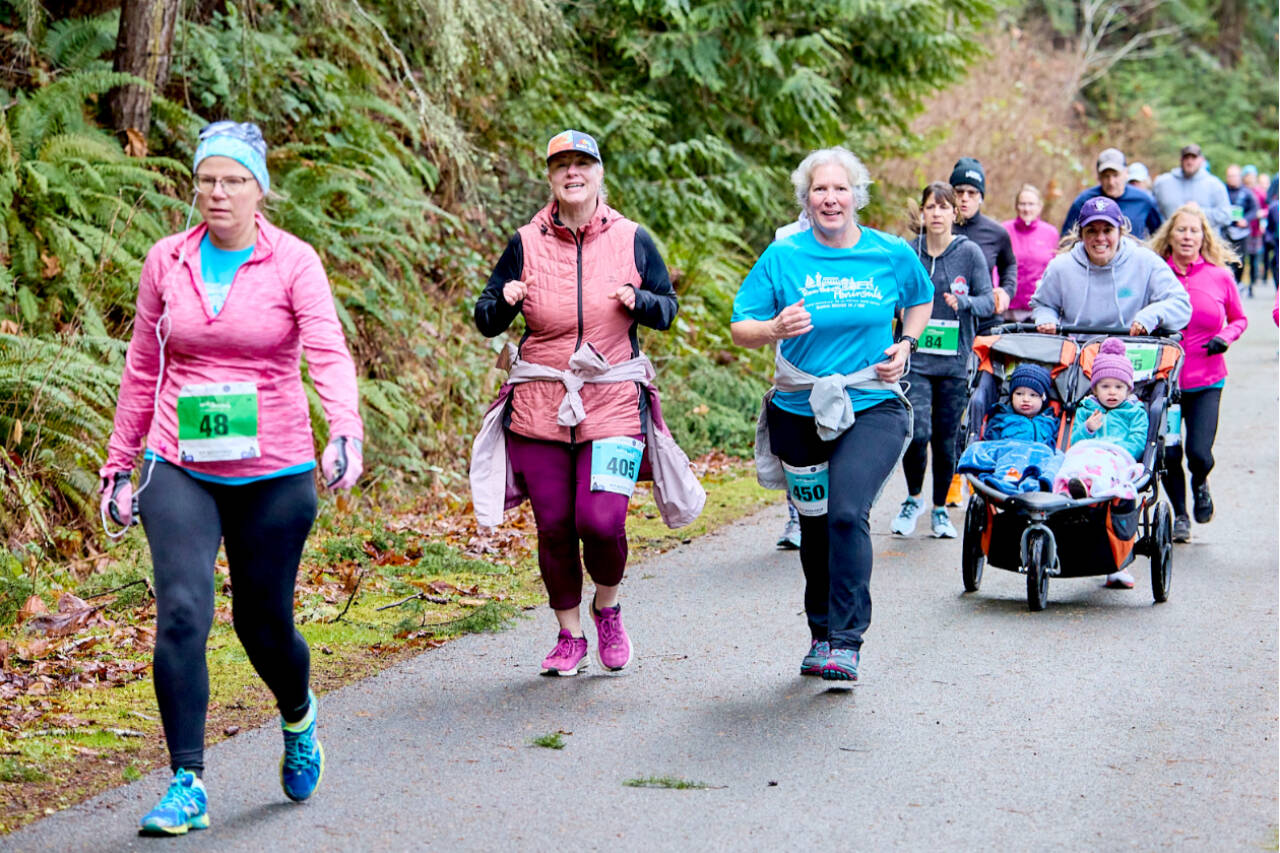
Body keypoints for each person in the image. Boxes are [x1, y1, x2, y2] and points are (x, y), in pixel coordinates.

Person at [98, 121, 363, 834]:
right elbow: (142, 366)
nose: (218, 193)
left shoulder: (294, 261)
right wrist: (119, 465)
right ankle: (187, 781)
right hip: (178, 462)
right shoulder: (167, 259)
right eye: (207, 179)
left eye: (233, 180)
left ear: (260, 189)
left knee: (262, 621)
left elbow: (328, 351)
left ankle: (298, 712)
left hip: (274, 468)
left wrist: (345, 431)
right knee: (183, 610)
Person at [473, 129, 686, 678]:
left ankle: (607, 607)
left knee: (600, 519)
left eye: (582, 164)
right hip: (540, 404)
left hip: (613, 401)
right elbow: (485, 316)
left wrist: (639, 300)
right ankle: (569, 635)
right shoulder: (525, 242)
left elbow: (668, 308)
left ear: (598, 174)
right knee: (554, 526)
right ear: (550, 176)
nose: (573, 173)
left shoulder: (632, 238)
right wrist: (505, 299)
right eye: (562, 165)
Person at [731, 147, 932, 683]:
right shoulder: (783, 257)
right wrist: (774, 328)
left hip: (872, 401)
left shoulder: (889, 253)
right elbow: (740, 326)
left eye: (840, 188)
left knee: (846, 512)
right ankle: (820, 634)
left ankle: (846, 641)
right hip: (798, 407)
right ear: (807, 199)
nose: (830, 198)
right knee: (816, 527)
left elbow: (921, 297)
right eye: (820, 189)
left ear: (856, 196)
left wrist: (906, 343)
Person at [891, 182, 994, 539]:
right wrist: (896, 309)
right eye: (930, 207)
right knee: (916, 432)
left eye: (944, 207)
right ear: (922, 213)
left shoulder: (970, 254)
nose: (937, 214)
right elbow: (887, 295)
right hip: (915, 358)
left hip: (954, 361)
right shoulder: (908, 252)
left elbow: (989, 302)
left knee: (946, 438)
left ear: (956, 213)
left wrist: (963, 304)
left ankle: (938, 510)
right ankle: (913, 499)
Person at [1148, 203, 1247, 542]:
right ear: (1170, 236)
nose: (1187, 236)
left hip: (1207, 380)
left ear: (1203, 237)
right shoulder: (1157, 273)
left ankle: (1201, 481)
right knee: (1169, 452)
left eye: (1194, 231)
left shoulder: (1219, 275)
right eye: (1181, 230)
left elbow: (1239, 319)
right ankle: (1180, 515)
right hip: (1166, 383)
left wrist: (1225, 337)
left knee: (1199, 453)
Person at [947, 156, 1016, 505]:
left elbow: (1009, 267)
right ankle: (952, 479)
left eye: (972, 192)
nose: (964, 198)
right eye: (958, 191)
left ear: (981, 196)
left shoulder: (996, 232)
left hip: (987, 327)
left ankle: (980, 474)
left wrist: (1006, 291)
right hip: (948, 329)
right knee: (953, 404)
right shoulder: (939, 228)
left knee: (983, 401)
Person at [1030, 197, 1191, 336]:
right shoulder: (1061, 267)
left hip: (1131, 354)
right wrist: (1047, 319)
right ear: (1081, 235)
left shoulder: (1146, 262)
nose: (1100, 238)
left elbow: (1181, 304)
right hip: (1077, 354)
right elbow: (1044, 304)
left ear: (1120, 232)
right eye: (1091, 231)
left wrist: (1151, 315)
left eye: (1107, 230)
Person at [1060, 148, 1163, 239]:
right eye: (1106, 176)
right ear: (1099, 177)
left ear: (1126, 173)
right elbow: (1067, 237)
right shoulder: (1085, 201)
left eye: (1115, 175)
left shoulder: (1143, 200)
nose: (1111, 182)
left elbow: (1159, 235)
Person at [1002, 184, 1059, 321]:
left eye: (1031, 204)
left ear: (1040, 207)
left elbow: (1055, 270)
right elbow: (996, 267)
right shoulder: (1004, 230)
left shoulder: (1051, 233)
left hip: (1039, 309)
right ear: (1016, 206)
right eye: (1022, 204)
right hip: (1009, 308)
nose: (1027, 209)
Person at [1152, 144, 1232, 229]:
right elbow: (1152, 211)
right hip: (1169, 239)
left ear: (1201, 160)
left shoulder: (1215, 185)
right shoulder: (1162, 183)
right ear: (1181, 159)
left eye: (1193, 158)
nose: (1189, 162)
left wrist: (1200, 212)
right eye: (1186, 158)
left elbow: (1226, 216)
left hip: (1205, 240)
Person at [983, 364, 1058, 444]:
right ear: (1011, 396)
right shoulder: (1001, 419)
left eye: (1033, 395)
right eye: (1019, 394)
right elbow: (989, 447)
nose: (1025, 399)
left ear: (1043, 398)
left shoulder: (1050, 421)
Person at [1221, 164, 1259, 293]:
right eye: (1230, 176)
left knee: (1240, 259)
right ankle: (1227, 285)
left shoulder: (1247, 192)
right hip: (1225, 231)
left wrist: (1246, 220)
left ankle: (1238, 283)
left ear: (1239, 177)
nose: (1232, 178)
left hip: (1241, 232)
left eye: (1234, 176)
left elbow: (1255, 209)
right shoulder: (1222, 190)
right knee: (1225, 259)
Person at [1243, 166, 1268, 290]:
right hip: (1243, 229)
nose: (1250, 179)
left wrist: (1261, 215)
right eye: (1248, 176)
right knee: (1243, 256)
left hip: (1256, 230)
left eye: (1253, 176)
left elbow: (1267, 208)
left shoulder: (1260, 193)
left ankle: (1252, 283)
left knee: (1254, 257)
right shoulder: (1241, 191)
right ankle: (1244, 282)